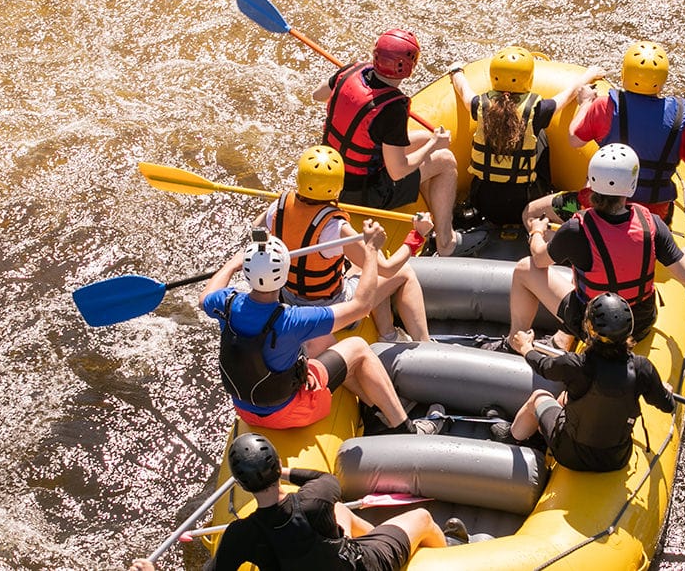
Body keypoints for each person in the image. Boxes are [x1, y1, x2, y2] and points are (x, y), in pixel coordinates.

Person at [198, 227, 433, 433]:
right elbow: (361, 306)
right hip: (290, 411)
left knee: (322, 341)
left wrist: (232, 264)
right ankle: (403, 425)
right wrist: (371, 250)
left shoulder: (227, 303)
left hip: (245, 410)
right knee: (358, 348)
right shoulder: (293, 319)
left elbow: (204, 298)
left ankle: (373, 408)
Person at [127, 434, 456, 571]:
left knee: (341, 513)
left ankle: (372, 534)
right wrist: (283, 469)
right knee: (423, 517)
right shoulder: (316, 497)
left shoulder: (241, 536)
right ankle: (454, 554)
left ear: (241, 484)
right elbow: (321, 477)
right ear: (276, 469)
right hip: (359, 567)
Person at [505, 143, 685, 350]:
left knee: (525, 268)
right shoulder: (651, 223)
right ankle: (563, 337)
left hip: (593, 328)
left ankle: (515, 341)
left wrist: (536, 231)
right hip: (640, 325)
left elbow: (539, 259)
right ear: (632, 185)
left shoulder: (576, 229)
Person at [524, 41, 685, 225]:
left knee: (531, 212)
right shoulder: (682, 117)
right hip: (655, 214)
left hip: (599, 206)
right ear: (662, 80)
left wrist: (585, 103)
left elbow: (575, 139)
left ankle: (559, 255)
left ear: (624, 74)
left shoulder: (604, 106)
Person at [259, 145, 434, 350]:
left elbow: (257, 230)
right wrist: (417, 236)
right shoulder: (335, 229)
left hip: (290, 297)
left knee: (362, 267)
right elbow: (387, 268)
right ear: (338, 186)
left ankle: (388, 333)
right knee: (402, 272)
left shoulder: (277, 208)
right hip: (331, 311)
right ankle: (425, 344)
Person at [314, 28, 461, 256]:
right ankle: (446, 241)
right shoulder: (393, 109)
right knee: (445, 158)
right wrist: (434, 145)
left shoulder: (352, 70)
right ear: (409, 66)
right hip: (361, 194)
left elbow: (318, 95)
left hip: (334, 174)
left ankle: (432, 202)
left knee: (423, 138)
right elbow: (397, 171)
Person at [495, 294, 676, 473]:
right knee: (564, 399)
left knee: (539, 397)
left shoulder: (575, 365)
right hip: (616, 459)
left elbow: (543, 366)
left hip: (570, 454)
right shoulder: (642, 368)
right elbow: (667, 405)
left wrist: (526, 348)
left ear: (589, 330)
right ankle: (542, 435)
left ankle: (512, 437)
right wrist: (663, 390)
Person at [446, 47, 603, 225]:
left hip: (483, 204)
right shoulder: (538, 111)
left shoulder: (479, 105)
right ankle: (547, 191)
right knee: (540, 133)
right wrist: (589, 74)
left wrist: (456, 71)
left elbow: (464, 90)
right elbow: (568, 94)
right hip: (525, 205)